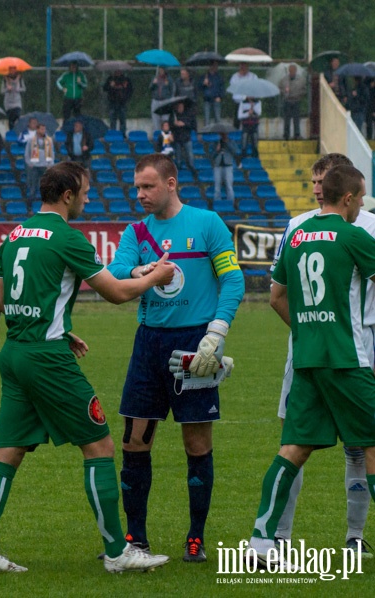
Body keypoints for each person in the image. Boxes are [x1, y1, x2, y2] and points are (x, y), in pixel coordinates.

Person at [0, 161, 174, 574]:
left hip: (17, 352)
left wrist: (59, 328)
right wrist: (156, 277)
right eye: (84, 192)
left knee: (6, 453)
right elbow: (116, 293)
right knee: (99, 446)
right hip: (47, 360)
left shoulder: (13, 236)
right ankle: (118, 553)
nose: (87, 198)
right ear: (67, 195)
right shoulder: (67, 238)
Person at [107, 153, 245, 563]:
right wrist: (143, 272)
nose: (141, 195)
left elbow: (233, 278)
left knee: (196, 441)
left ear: (171, 183)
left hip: (194, 343)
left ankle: (195, 538)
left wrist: (216, 333)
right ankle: (137, 538)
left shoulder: (207, 224)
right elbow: (116, 271)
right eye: (137, 187)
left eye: (148, 186)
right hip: (148, 344)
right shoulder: (136, 231)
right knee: (134, 442)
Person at [249, 164, 375, 569]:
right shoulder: (354, 235)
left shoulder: (298, 237)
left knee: (293, 449)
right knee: (371, 445)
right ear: (350, 198)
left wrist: (306, 330)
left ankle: (261, 542)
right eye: (361, 199)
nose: (361, 206)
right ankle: (354, 536)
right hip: (347, 358)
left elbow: (278, 295)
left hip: (305, 358)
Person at [24, 123, 54, 201]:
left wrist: (50, 164)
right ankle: (29, 206)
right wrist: (29, 163)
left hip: (45, 166)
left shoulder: (49, 140)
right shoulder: (31, 140)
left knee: (46, 186)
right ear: (37, 130)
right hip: (35, 166)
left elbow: (52, 152)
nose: (43, 131)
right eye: (41, 129)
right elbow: (27, 153)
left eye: (44, 129)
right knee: (33, 186)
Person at [170, 101, 198, 179]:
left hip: (186, 138)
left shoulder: (188, 115)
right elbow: (170, 126)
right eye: (178, 107)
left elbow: (193, 125)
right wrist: (174, 124)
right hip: (177, 139)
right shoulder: (173, 115)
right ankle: (178, 172)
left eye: (181, 106)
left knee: (190, 156)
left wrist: (184, 124)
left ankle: (193, 171)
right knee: (178, 157)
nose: (180, 108)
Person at [210, 133, 238, 206]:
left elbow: (235, 152)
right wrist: (217, 150)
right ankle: (217, 202)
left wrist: (227, 143)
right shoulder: (216, 143)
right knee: (217, 186)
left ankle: (231, 203)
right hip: (218, 166)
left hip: (228, 165)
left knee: (229, 185)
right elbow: (212, 155)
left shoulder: (231, 142)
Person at [280, 64, 305, 140]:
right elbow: (280, 88)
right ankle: (286, 135)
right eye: (291, 71)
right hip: (287, 101)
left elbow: (304, 90)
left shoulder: (301, 80)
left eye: (293, 71)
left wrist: (299, 95)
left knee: (296, 119)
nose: (292, 72)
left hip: (296, 100)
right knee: (286, 119)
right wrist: (284, 91)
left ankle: (297, 134)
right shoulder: (284, 80)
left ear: (296, 71)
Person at [103, 69, 133, 133]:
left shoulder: (126, 79)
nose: (117, 72)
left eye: (119, 71)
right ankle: (113, 134)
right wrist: (110, 86)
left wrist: (126, 97)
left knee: (122, 120)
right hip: (112, 102)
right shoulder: (110, 79)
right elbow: (105, 88)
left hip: (122, 103)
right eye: (116, 71)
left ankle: (122, 135)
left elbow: (130, 90)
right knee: (112, 120)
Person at [229, 62, 258, 128]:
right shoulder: (235, 77)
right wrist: (245, 96)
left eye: (245, 65)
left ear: (247, 66)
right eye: (241, 65)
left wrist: (251, 96)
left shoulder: (253, 76)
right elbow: (234, 92)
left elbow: (256, 89)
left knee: (250, 123)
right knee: (237, 122)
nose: (243, 67)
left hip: (249, 104)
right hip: (239, 103)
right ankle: (236, 136)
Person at [199, 62, 224, 127]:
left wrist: (220, 97)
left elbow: (222, 88)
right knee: (207, 119)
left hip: (216, 99)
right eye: (214, 66)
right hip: (207, 100)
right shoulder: (204, 77)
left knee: (217, 119)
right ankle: (207, 134)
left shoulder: (219, 77)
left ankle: (218, 134)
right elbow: (200, 88)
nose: (216, 67)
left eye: (216, 66)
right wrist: (203, 83)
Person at [238, 97, 262, 161]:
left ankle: (255, 159)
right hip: (245, 125)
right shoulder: (242, 102)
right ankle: (243, 159)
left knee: (255, 144)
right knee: (244, 143)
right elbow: (239, 116)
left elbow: (259, 113)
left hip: (254, 125)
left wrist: (253, 106)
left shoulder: (258, 102)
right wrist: (247, 114)